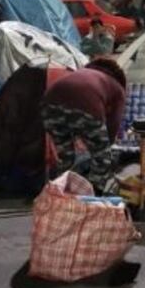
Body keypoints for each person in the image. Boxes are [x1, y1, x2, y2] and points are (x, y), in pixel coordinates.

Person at [41, 58, 127, 193]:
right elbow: (114, 121)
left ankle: (60, 191)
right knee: (102, 156)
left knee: (65, 155)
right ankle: (93, 194)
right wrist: (106, 144)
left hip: (49, 107)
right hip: (85, 107)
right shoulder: (117, 86)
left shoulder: (83, 72)